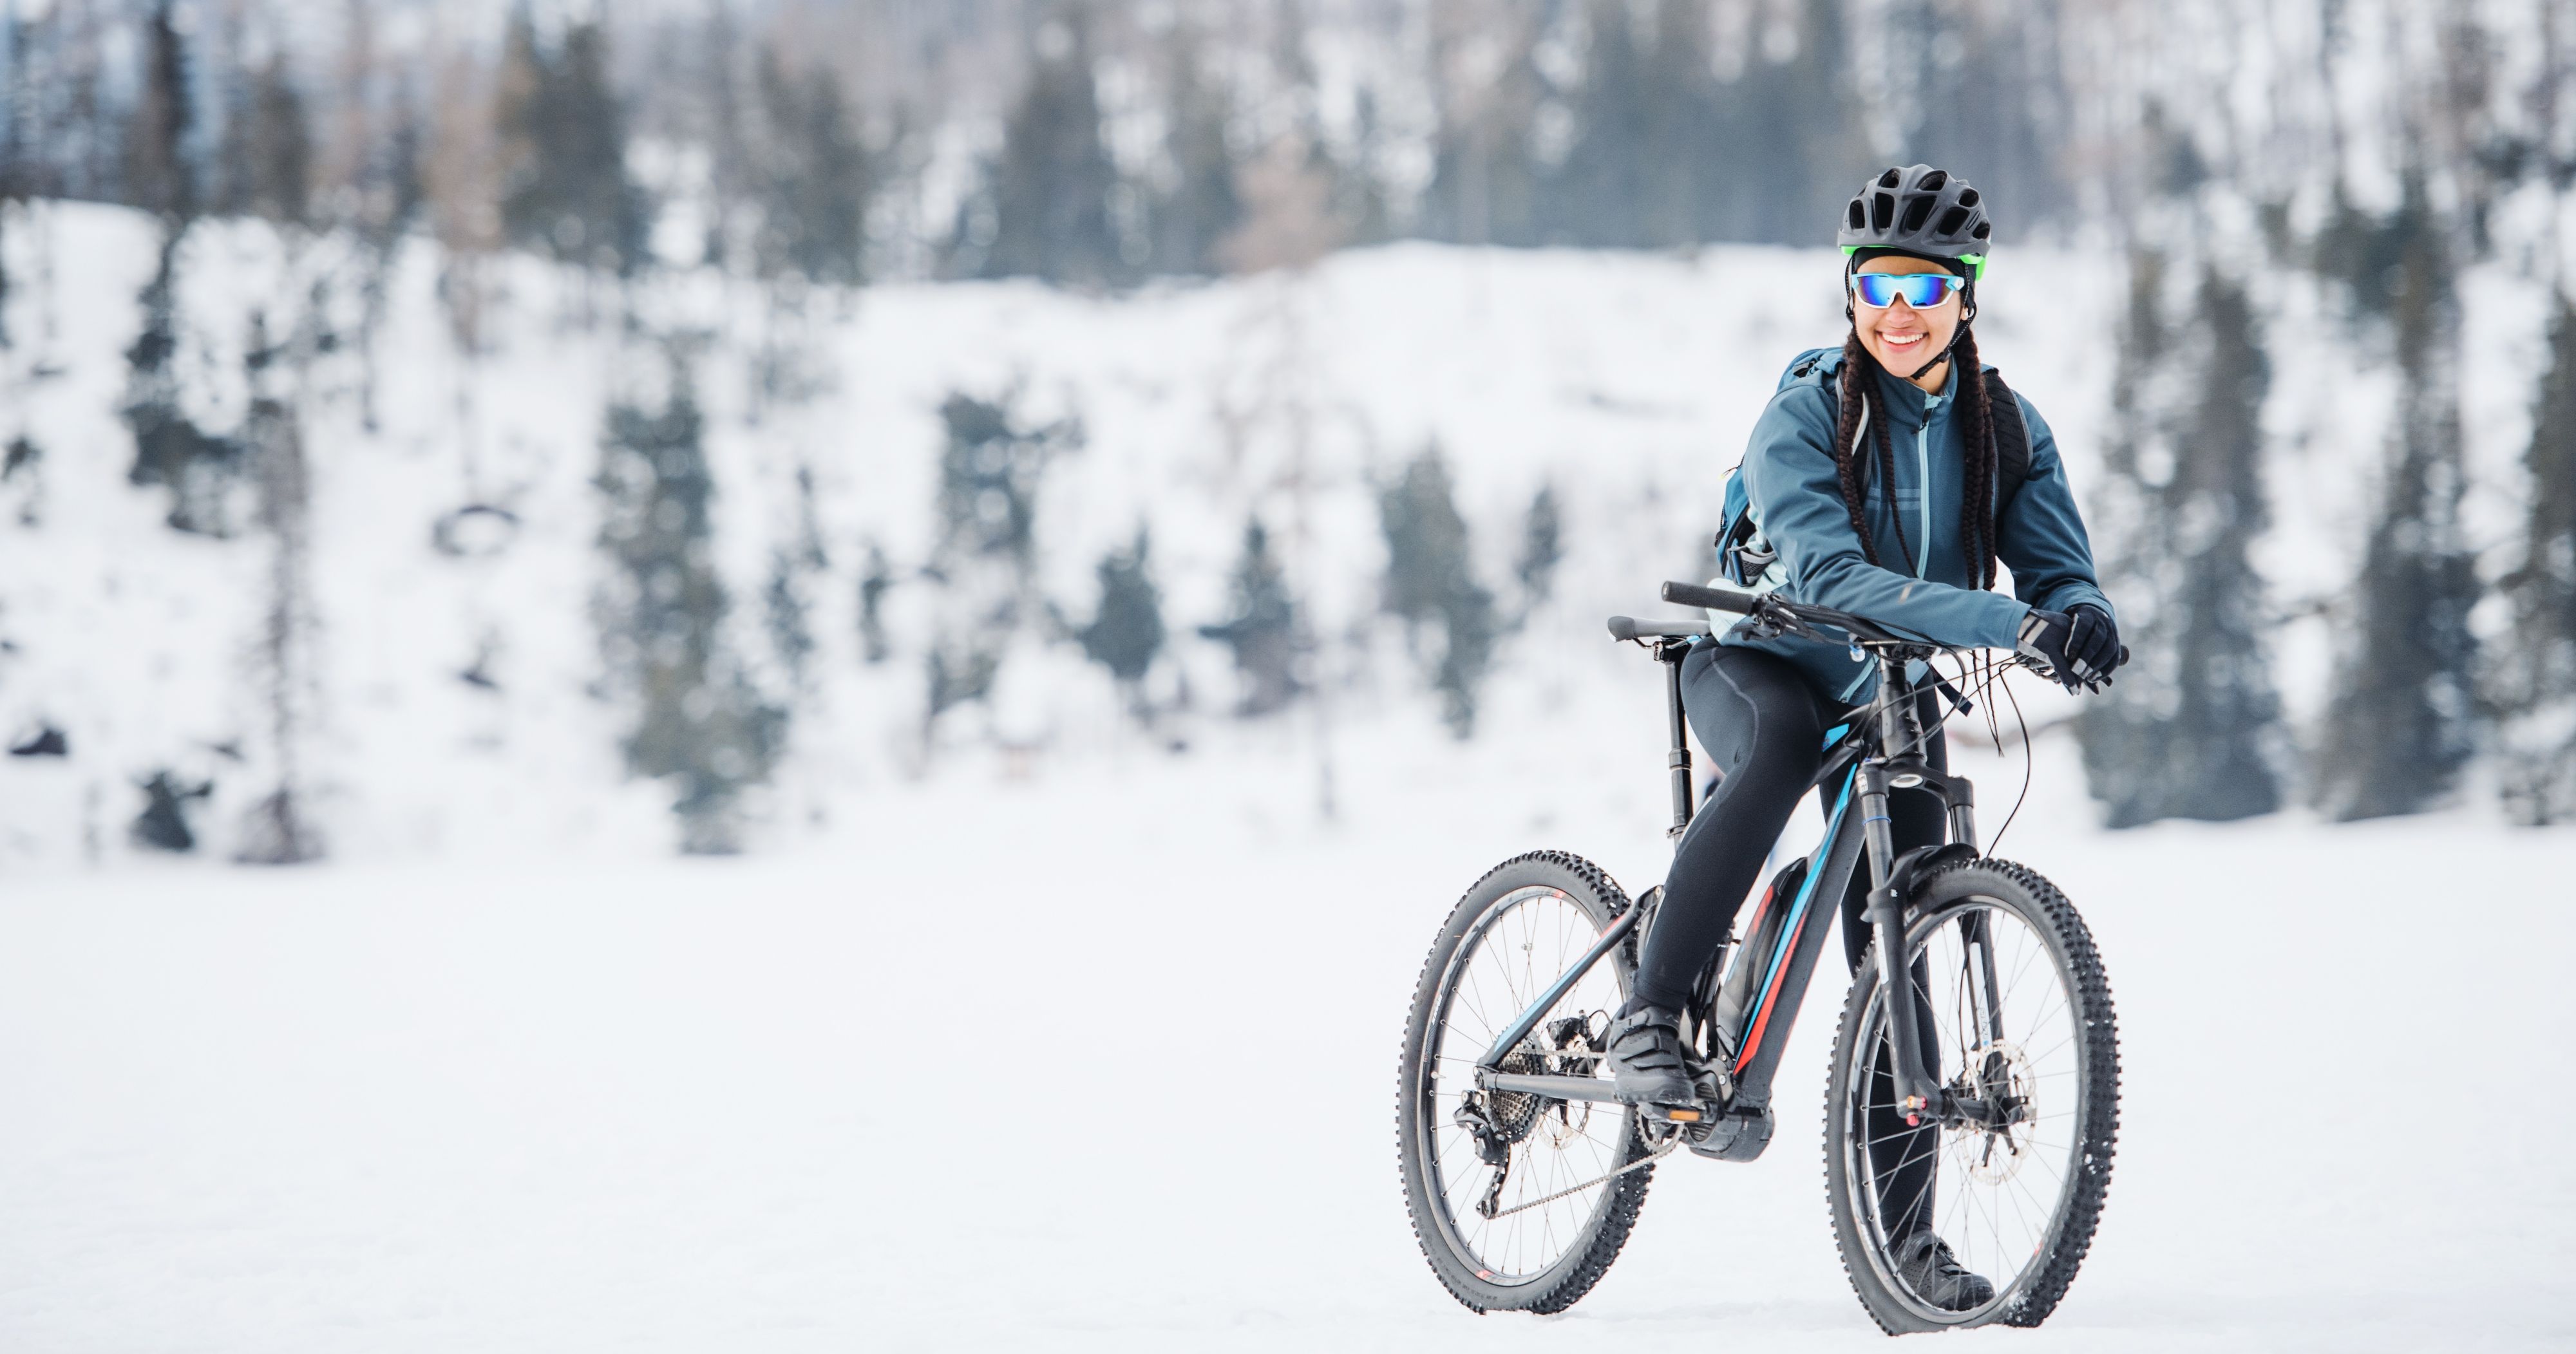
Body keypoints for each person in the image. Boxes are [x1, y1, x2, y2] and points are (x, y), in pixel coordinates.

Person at [1602, 164, 2123, 1308]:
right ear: (1850, 292)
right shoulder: (1805, 411)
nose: (1898, 310)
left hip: (1893, 691)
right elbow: (1833, 574)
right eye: (1879, 284)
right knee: (1780, 753)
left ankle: (1912, 1250)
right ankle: (1647, 1015)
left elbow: (2056, 565)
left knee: (1905, 950)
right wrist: (2008, 620)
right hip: (1762, 662)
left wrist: (2080, 615)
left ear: (1967, 300)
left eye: (1925, 290)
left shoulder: (2004, 428)